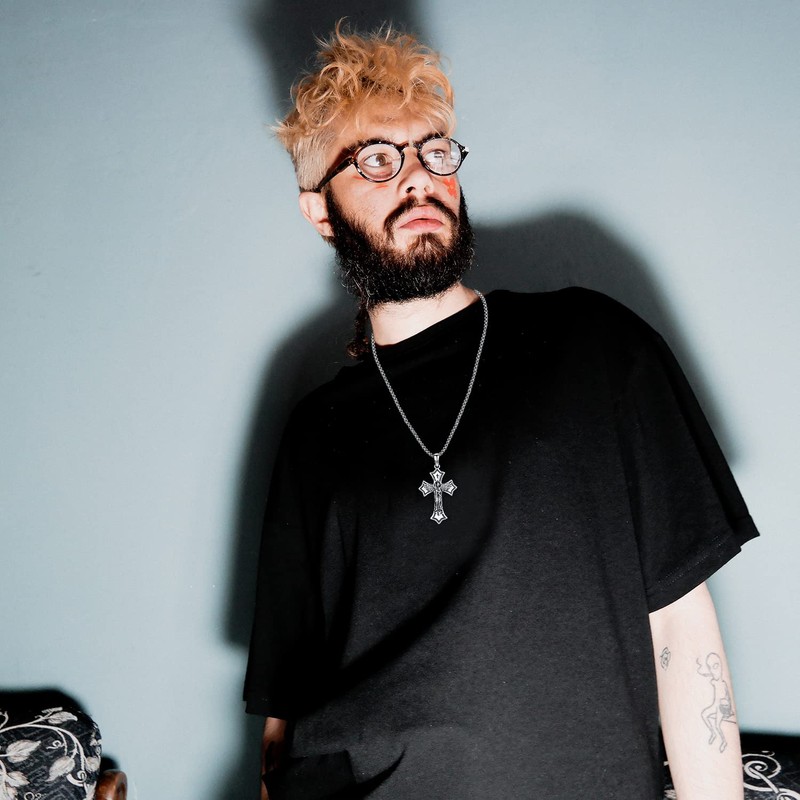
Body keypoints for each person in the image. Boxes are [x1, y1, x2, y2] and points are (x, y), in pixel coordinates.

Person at [244, 23, 758, 800]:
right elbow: (285, 709)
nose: (416, 179)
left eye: (434, 152)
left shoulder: (594, 344)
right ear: (320, 212)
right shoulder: (315, 431)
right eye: (377, 159)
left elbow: (682, 629)